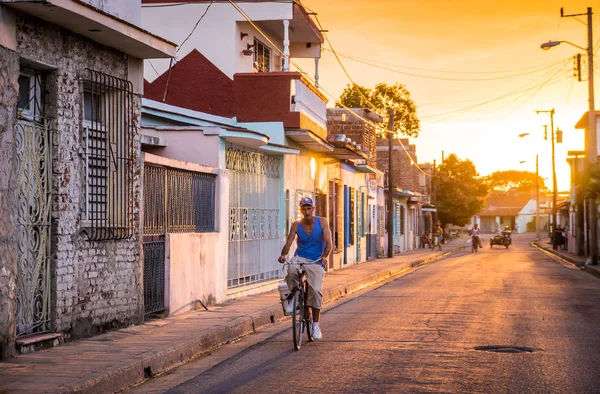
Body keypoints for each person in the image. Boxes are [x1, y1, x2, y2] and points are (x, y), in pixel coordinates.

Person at [278, 196, 332, 340]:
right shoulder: (296, 225)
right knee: (290, 270)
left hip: (316, 259)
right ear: (301, 210)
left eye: (309, 208)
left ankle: (315, 324)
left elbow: (328, 243)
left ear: (313, 209)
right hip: (300, 257)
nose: (307, 211)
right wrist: (283, 255)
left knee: (315, 291)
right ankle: (298, 296)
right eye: (304, 209)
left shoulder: (322, 222)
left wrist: (325, 256)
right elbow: (289, 242)